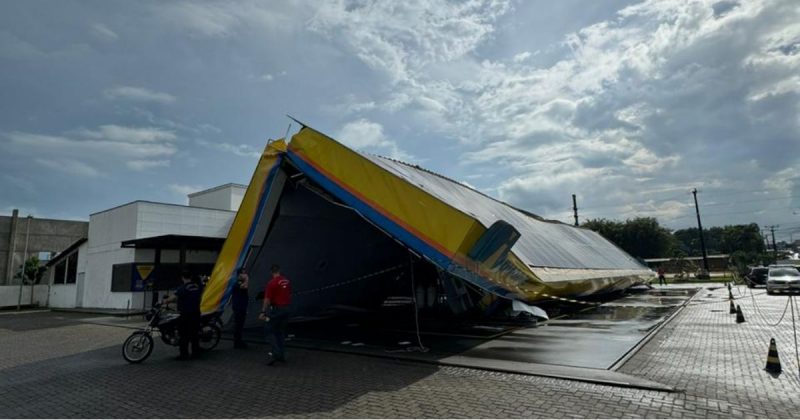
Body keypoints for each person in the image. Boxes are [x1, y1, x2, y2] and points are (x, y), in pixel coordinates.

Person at [163, 270, 202, 360]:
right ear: (190, 277)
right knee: (194, 335)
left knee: (184, 335)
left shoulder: (183, 288)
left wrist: (164, 301)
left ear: (182, 278)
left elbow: (172, 298)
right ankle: (196, 354)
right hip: (196, 313)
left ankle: (184, 355)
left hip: (186, 314)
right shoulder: (197, 286)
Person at [259, 264, 291, 365]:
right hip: (286, 309)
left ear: (271, 272)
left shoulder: (271, 283)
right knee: (280, 332)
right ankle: (281, 355)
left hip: (277, 310)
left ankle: (276, 353)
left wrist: (263, 312)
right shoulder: (287, 281)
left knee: (269, 330)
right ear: (279, 271)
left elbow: (267, 299)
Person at [231, 268, 250, 349]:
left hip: (241, 307)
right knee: (238, 325)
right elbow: (244, 287)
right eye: (243, 273)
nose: (245, 275)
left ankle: (238, 341)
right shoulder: (237, 283)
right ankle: (237, 343)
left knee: (240, 325)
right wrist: (247, 279)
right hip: (239, 307)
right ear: (239, 275)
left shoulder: (240, 282)